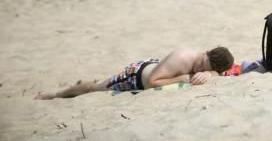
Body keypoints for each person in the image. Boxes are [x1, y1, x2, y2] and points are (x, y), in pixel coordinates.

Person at [35, 46, 233, 99]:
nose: (198, 69)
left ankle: (78, 84)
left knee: (100, 84)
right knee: (96, 88)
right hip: (136, 76)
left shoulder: (209, 68)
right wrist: (183, 78)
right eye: (200, 64)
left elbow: (222, 72)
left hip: (153, 67)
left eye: (204, 69)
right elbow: (152, 84)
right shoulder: (183, 57)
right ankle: (56, 94)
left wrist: (210, 75)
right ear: (205, 52)